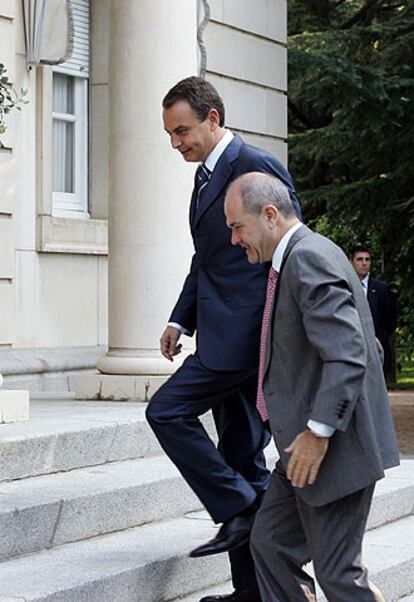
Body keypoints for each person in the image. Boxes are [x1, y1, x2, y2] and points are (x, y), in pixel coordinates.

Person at [146, 76, 301, 602]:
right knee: (240, 456)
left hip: (246, 338)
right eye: (169, 134)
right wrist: (179, 320)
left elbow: (291, 249)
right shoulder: (206, 176)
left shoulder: (254, 167)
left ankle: (237, 505)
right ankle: (253, 591)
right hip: (217, 330)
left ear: (213, 118)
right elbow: (208, 260)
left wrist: (277, 333)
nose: (176, 143)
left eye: (182, 130)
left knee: (165, 411)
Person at [224, 173, 400, 602]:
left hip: (328, 448)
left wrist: (321, 431)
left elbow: (348, 353)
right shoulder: (304, 255)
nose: (233, 240)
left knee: (338, 574)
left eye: (236, 227)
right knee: (269, 544)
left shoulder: (308, 258)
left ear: (269, 215)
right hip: (300, 445)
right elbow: (368, 343)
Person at [350, 244, 397, 378]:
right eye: (359, 259)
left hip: (377, 350)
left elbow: (391, 322)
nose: (364, 263)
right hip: (351, 349)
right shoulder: (343, 287)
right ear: (351, 261)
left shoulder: (382, 289)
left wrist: (378, 338)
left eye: (367, 259)